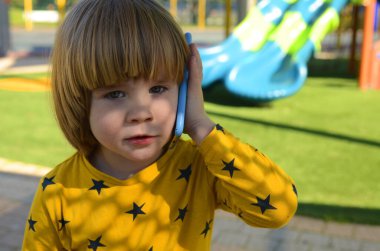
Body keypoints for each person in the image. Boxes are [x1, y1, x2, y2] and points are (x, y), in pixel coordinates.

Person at [22, 0, 298, 250]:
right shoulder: (58, 191)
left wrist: (201, 126)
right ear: (80, 101)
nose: (142, 113)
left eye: (158, 88)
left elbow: (278, 208)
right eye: (115, 94)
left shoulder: (200, 167)